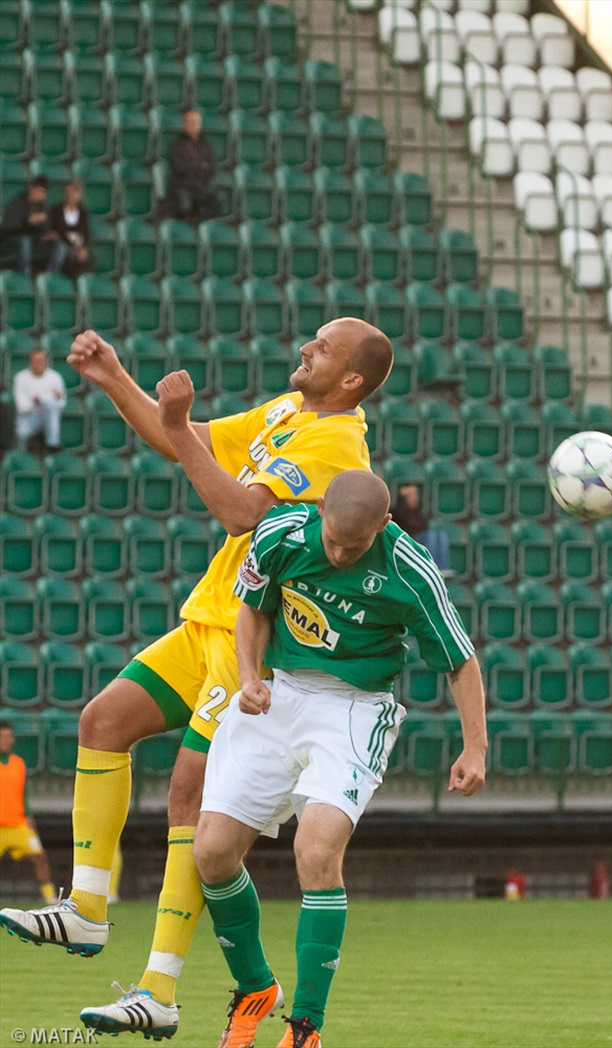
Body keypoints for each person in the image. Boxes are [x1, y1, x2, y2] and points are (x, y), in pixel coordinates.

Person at [0, 318, 394, 1041]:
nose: (304, 347)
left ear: (351, 380)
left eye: (322, 347)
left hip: (252, 638)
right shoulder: (287, 411)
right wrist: (115, 376)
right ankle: (86, 912)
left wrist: (179, 428)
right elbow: (189, 436)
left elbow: (240, 510)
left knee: (190, 797)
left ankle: (158, 989)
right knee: (103, 722)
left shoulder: (338, 442)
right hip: (207, 616)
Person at [183, 470, 486, 1048]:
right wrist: (249, 676)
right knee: (212, 853)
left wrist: (475, 746)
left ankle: (305, 1027)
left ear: (386, 526)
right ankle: (253, 988)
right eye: (334, 541)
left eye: (357, 545)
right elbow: (253, 608)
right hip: (279, 692)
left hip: (355, 709)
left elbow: (460, 659)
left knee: (316, 850)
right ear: (321, 508)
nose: (342, 553)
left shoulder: (411, 569)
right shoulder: (278, 534)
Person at [0, 721, 57, 906]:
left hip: (18, 824)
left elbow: (23, 795)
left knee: (39, 856)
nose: (5, 740)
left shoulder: (19, 764)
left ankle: (50, 897)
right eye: (2, 736)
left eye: (8, 736)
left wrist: (30, 819)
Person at [0, 176, 65, 277]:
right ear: (32, 189)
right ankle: (24, 277)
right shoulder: (17, 203)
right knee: (25, 242)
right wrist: (28, 222)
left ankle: (50, 277)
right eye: (40, 191)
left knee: (60, 246)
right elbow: (8, 227)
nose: (42, 194)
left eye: (44, 192)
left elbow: (46, 227)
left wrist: (48, 234)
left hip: (36, 242)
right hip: (12, 242)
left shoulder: (43, 207)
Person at [390, 481, 453, 576]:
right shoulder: (399, 509)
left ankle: (443, 567)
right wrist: (402, 499)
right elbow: (400, 519)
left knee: (441, 535)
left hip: (421, 535)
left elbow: (424, 524)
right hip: (409, 538)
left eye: (415, 495)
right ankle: (431, 566)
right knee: (430, 537)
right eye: (411, 495)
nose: (414, 498)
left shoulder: (418, 510)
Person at [167, 109, 220, 223]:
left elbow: (212, 167)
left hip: (201, 186)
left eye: (196, 122)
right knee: (184, 205)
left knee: (218, 198)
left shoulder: (205, 144)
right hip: (182, 186)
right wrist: (200, 166)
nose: (194, 125)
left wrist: (195, 167)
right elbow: (179, 168)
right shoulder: (176, 145)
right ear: (184, 124)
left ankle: (200, 226)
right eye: (190, 122)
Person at [13, 347, 66, 452]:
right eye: (35, 360)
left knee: (51, 404)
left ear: (46, 361)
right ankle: (20, 454)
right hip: (29, 417)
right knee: (22, 432)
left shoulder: (55, 377)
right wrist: (39, 400)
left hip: (50, 417)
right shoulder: (20, 377)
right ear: (30, 362)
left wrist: (42, 399)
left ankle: (52, 445)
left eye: (41, 360)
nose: (38, 363)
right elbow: (22, 407)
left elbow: (61, 404)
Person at [50, 179, 92, 279]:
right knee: (61, 249)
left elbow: (86, 233)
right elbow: (61, 231)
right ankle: (53, 277)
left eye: (74, 192)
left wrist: (83, 248)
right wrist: (73, 245)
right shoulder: (57, 210)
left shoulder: (83, 213)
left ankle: (78, 283)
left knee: (85, 256)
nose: (71, 195)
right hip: (62, 242)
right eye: (68, 192)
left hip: (78, 244)